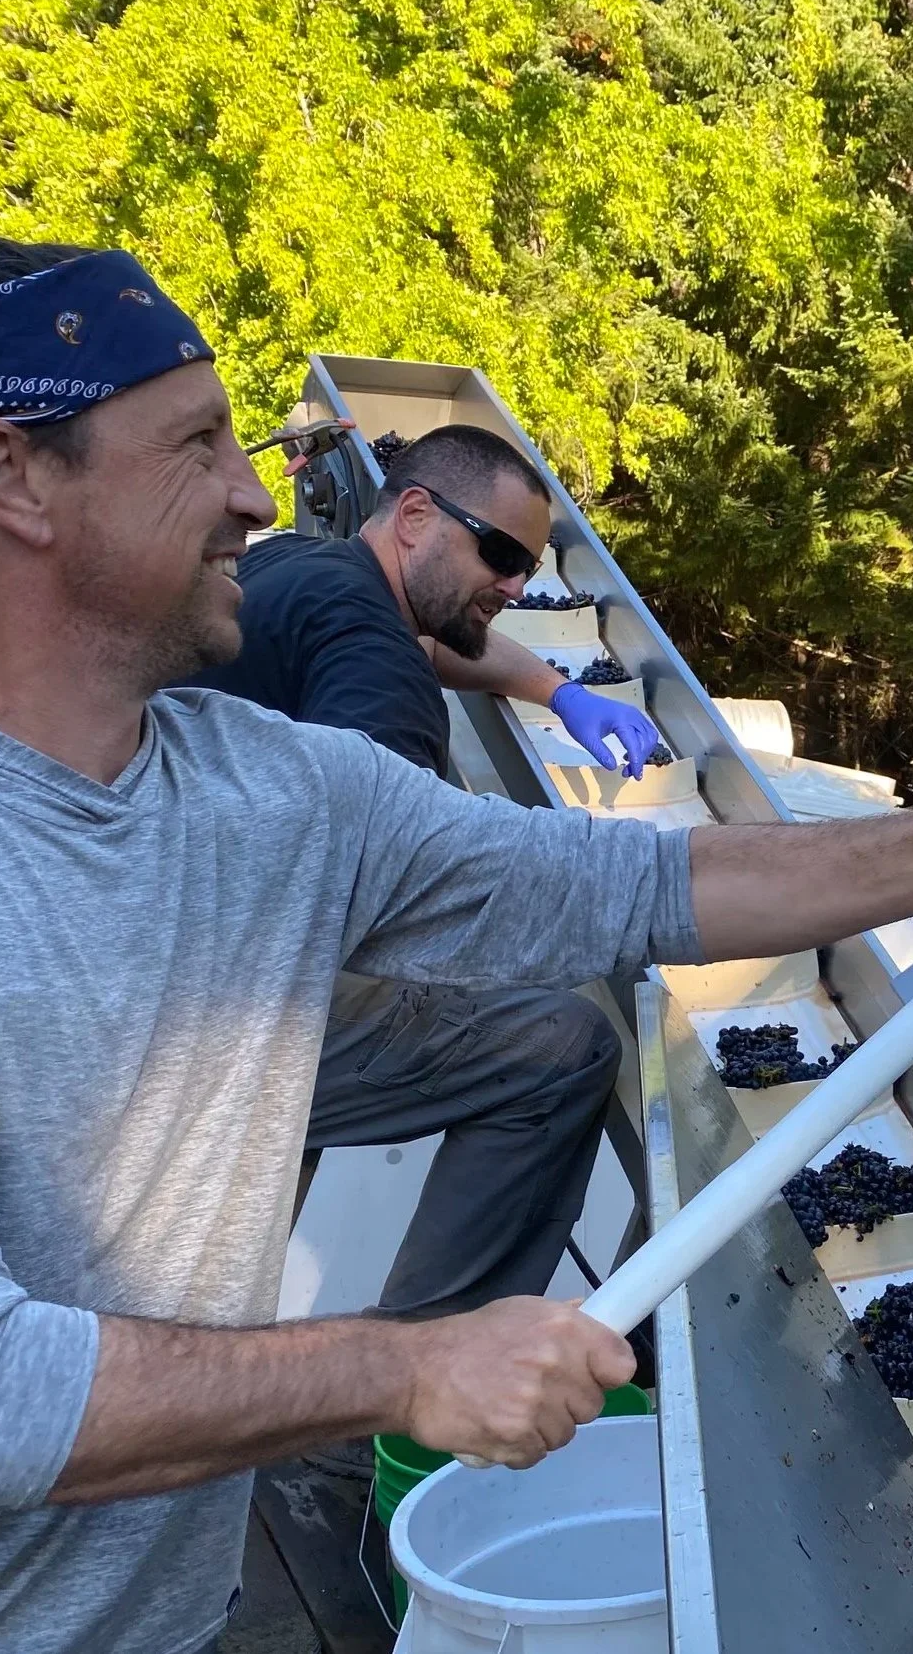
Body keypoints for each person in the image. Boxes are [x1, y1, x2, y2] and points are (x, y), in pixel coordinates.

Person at [0, 234, 913, 1654]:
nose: (247, 492)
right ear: (12, 476)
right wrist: (403, 1366)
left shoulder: (272, 789)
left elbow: (654, 885)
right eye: (194, 445)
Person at [186, 424, 660, 1321]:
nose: (518, 585)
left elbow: (436, 644)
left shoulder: (305, 567)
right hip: (220, 1016)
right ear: (414, 514)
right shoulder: (375, 663)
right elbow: (403, 884)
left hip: (158, 952)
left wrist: (560, 690)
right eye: (500, 554)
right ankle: (427, 1375)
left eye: (529, 564)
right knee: (562, 1046)